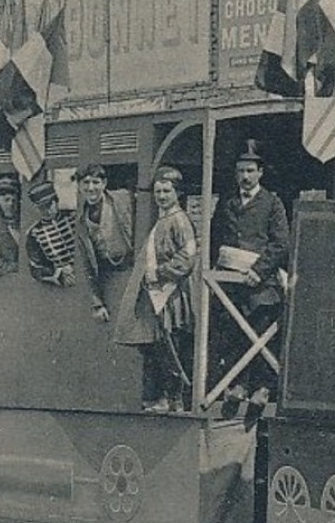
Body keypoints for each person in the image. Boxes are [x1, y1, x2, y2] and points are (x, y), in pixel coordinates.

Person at [209, 139, 289, 409]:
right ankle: (238, 385)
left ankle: (264, 388)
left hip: (262, 286)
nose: (245, 176)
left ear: (260, 173)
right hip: (231, 286)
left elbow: (280, 243)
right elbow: (215, 238)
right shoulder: (227, 203)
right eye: (241, 171)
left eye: (250, 171)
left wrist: (259, 271)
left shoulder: (272, 203)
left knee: (262, 334)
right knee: (234, 336)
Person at [114, 166, 196, 413]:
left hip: (172, 295)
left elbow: (187, 258)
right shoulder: (163, 220)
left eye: (166, 191)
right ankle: (157, 397)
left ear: (177, 194)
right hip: (153, 295)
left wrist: (160, 272)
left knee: (169, 347)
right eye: (158, 191)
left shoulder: (180, 221)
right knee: (153, 345)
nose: (161, 196)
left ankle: (173, 398)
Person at [73, 164, 135, 323]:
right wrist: (96, 302)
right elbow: (86, 264)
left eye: (95, 182)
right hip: (109, 277)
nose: (91, 187)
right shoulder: (81, 220)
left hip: (132, 268)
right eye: (85, 183)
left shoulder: (123, 199)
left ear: (104, 183)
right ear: (79, 186)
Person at [23, 180, 77, 287]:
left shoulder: (74, 218)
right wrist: (58, 272)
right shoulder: (35, 233)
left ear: (56, 201)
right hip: (62, 284)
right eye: (41, 208)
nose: (46, 211)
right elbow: (36, 268)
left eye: (48, 205)